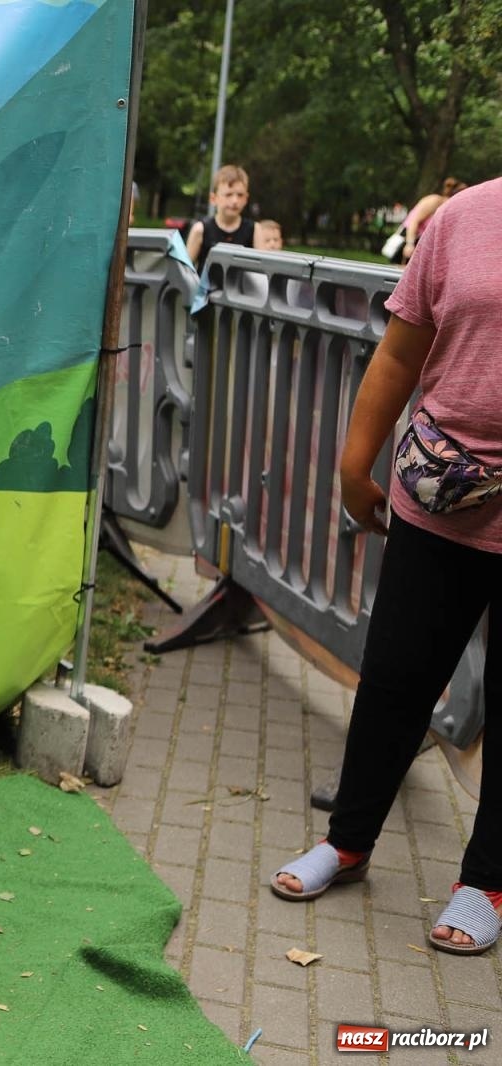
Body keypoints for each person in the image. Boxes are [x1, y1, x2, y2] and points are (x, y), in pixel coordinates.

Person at [271, 177, 502, 956]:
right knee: (397, 676)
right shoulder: (466, 217)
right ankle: (348, 843)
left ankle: (487, 881)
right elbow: (401, 351)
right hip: (439, 497)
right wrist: (352, 465)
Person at [184, 164, 255, 273]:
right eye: (228, 194)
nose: (235, 201)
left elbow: (263, 277)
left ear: (246, 199)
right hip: (207, 289)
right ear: (213, 198)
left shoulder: (254, 230)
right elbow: (185, 272)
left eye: (240, 195)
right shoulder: (200, 229)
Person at [399, 177, 467, 263]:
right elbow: (414, 222)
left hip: (422, 244)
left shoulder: (449, 210)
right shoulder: (434, 201)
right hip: (409, 238)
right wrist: (409, 244)